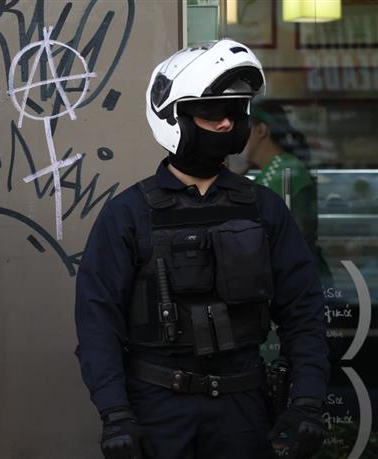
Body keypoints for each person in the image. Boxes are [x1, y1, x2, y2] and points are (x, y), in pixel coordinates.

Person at [75, 39, 328, 459]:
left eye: (234, 112)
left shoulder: (263, 208)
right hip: (157, 412)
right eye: (211, 112)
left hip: (243, 410)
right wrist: (115, 413)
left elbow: (303, 311)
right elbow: (97, 322)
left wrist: (307, 400)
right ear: (175, 117)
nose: (226, 123)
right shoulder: (129, 214)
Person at [243, 100, 331, 283]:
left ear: (260, 130)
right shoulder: (277, 168)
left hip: (297, 278)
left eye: (244, 128)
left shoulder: (282, 172)